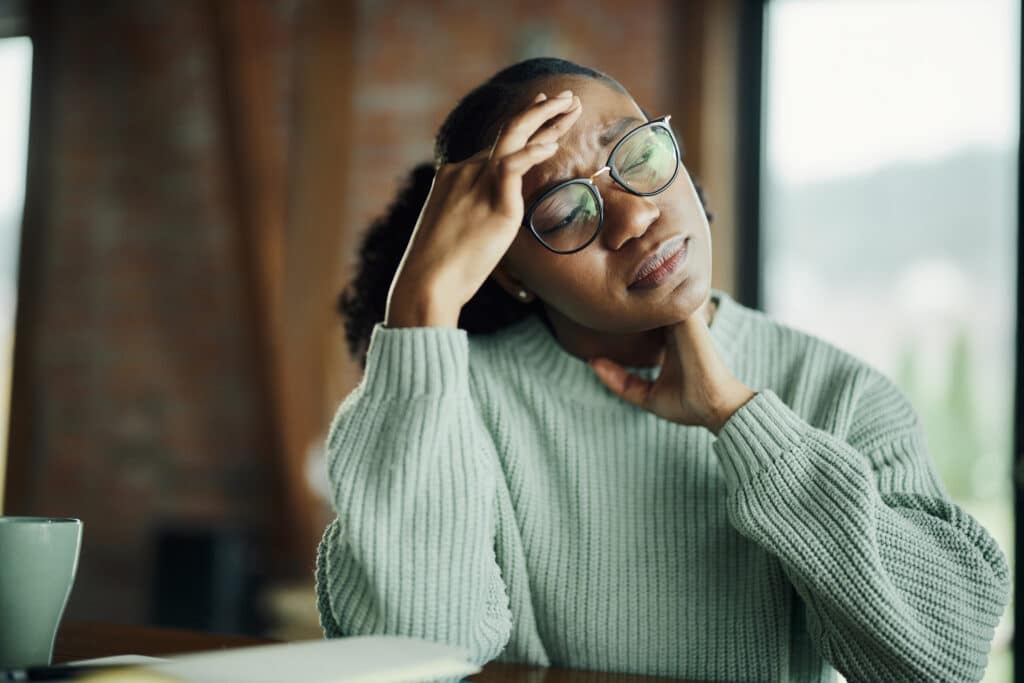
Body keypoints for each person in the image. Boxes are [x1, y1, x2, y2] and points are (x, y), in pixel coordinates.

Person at [314, 57, 1010, 682]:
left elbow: (940, 662)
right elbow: (408, 657)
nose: (636, 215)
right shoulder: (443, 406)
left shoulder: (839, 393)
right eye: (561, 209)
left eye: (638, 154)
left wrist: (741, 419)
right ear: (510, 272)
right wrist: (422, 303)